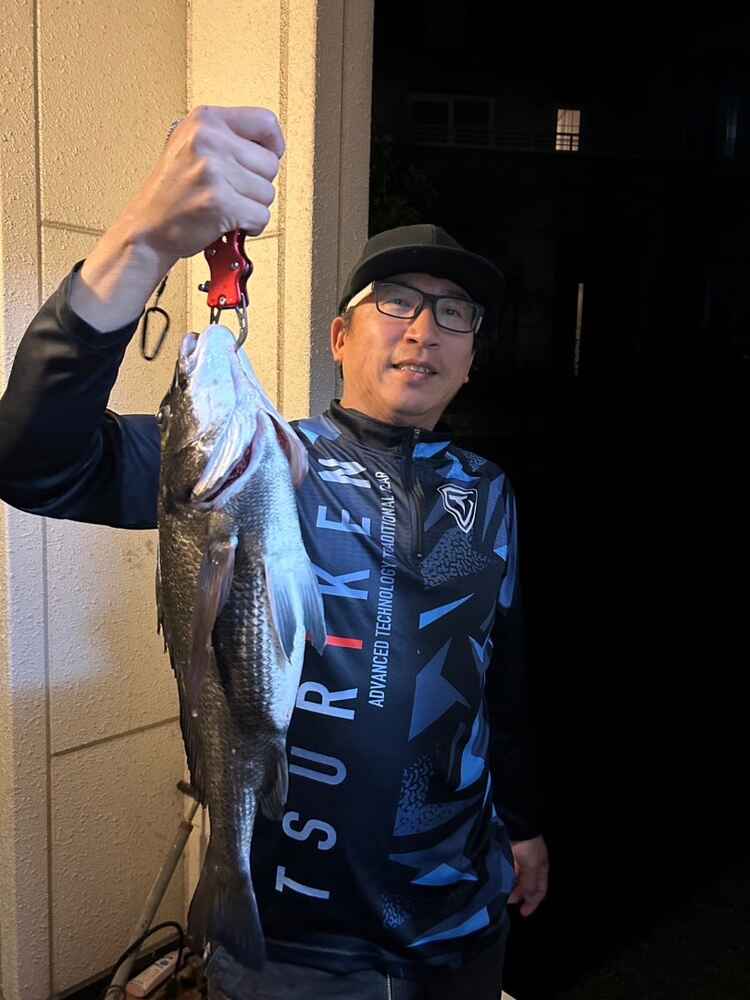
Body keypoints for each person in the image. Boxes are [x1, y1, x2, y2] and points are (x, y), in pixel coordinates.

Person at [0, 106, 548, 999]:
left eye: (454, 313)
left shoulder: (487, 489)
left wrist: (522, 825)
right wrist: (141, 243)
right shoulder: (256, 465)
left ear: (471, 357)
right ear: (340, 338)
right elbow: (36, 463)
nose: (424, 330)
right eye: (395, 302)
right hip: (289, 942)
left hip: (457, 921)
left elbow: (500, 677)